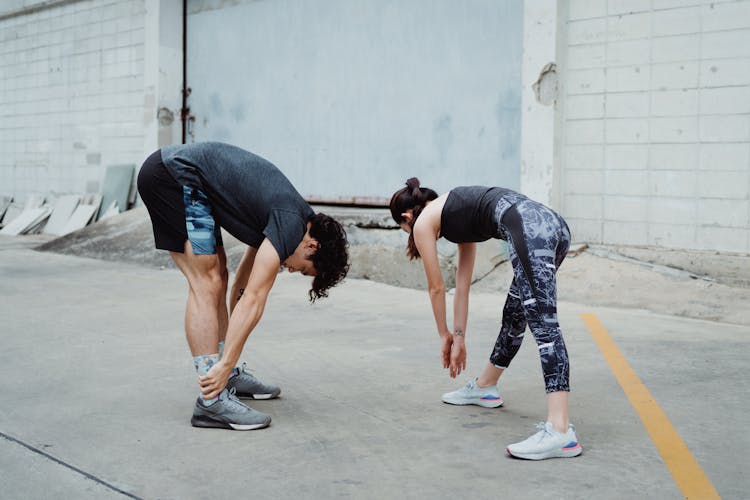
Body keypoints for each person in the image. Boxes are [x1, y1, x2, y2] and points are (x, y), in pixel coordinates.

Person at [137, 142, 349, 430]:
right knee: (206, 281)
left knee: (219, 276)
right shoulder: (289, 224)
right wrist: (224, 365)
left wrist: (229, 361)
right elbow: (254, 299)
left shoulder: (287, 220)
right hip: (173, 177)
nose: (291, 268)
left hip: (188, 182)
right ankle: (211, 400)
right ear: (312, 245)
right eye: (303, 268)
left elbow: (241, 286)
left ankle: (226, 376)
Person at [389, 178, 582, 460]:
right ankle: (485, 387)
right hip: (551, 223)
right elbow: (462, 284)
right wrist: (459, 337)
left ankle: (560, 430)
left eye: (403, 228)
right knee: (515, 315)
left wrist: (443, 335)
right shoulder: (456, 212)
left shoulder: (422, 224)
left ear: (407, 218)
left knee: (544, 325)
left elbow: (436, 288)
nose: (410, 233)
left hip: (529, 226)